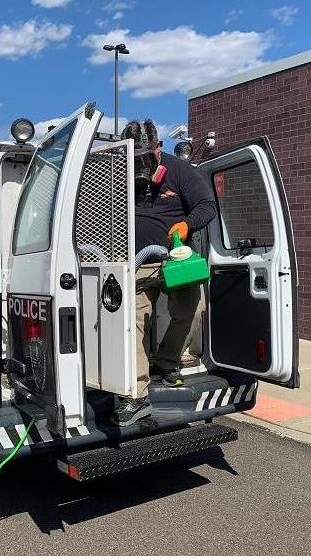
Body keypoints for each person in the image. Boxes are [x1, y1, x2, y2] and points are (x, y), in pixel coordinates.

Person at [113, 119, 216, 427]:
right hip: (134, 265)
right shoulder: (119, 176)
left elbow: (207, 206)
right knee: (131, 323)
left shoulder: (180, 171)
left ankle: (167, 361)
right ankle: (135, 393)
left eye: (145, 157)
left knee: (192, 309)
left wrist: (187, 224)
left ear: (157, 149)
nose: (140, 165)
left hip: (174, 260)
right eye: (134, 159)